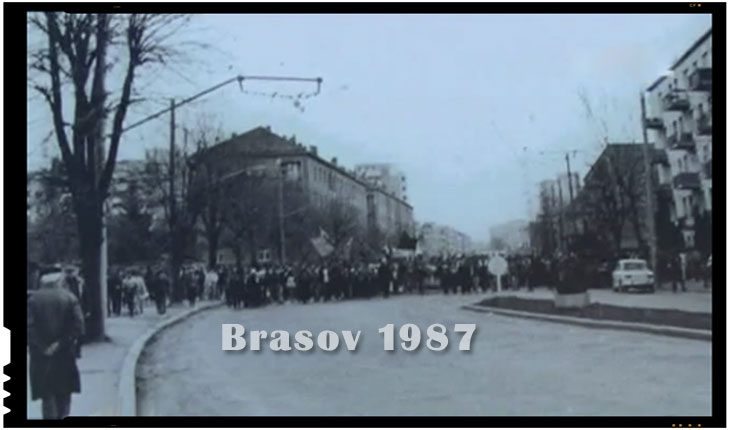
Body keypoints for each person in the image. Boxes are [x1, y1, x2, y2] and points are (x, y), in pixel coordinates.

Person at [28, 273, 85, 419]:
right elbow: (78, 326)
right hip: (64, 354)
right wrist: (61, 343)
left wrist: (42, 346)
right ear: (59, 282)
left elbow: (29, 328)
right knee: (64, 394)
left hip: (41, 357)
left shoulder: (32, 300)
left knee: (47, 396)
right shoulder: (70, 298)